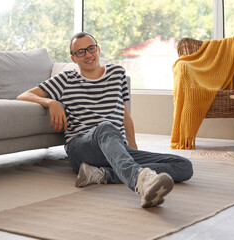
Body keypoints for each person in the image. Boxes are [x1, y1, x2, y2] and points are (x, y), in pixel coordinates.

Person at [17, 32, 193, 208]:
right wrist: (50, 102)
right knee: (106, 127)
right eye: (80, 52)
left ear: (98, 49)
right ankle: (141, 182)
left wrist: (132, 149)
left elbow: (126, 115)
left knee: (183, 166)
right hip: (82, 149)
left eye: (91, 48)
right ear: (73, 58)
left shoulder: (117, 73)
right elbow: (23, 96)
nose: (88, 55)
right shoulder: (65, 80)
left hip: (116, 147)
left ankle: (101, 175)